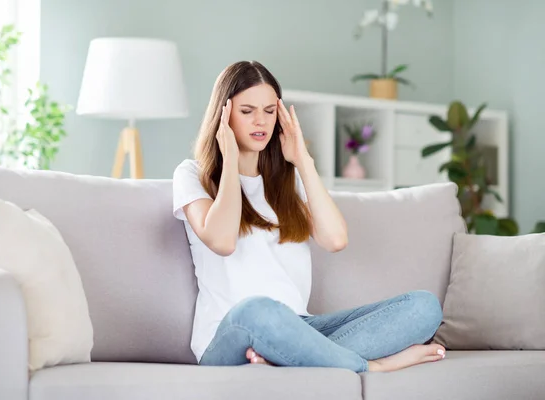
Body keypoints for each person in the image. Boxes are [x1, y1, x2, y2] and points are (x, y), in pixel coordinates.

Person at [172, 60, 446, 373]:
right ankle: (371, 367)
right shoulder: (193, 175)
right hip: (233, 331)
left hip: (301, 328)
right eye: (247, 111)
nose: (260, 121)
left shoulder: (288, 181)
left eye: (269, 111)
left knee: (423, 307)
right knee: (259, 309)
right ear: (223, 114)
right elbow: (222, 241)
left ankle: (291, 357)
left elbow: (335, 239)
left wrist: (302, 159)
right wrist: (231, 160)